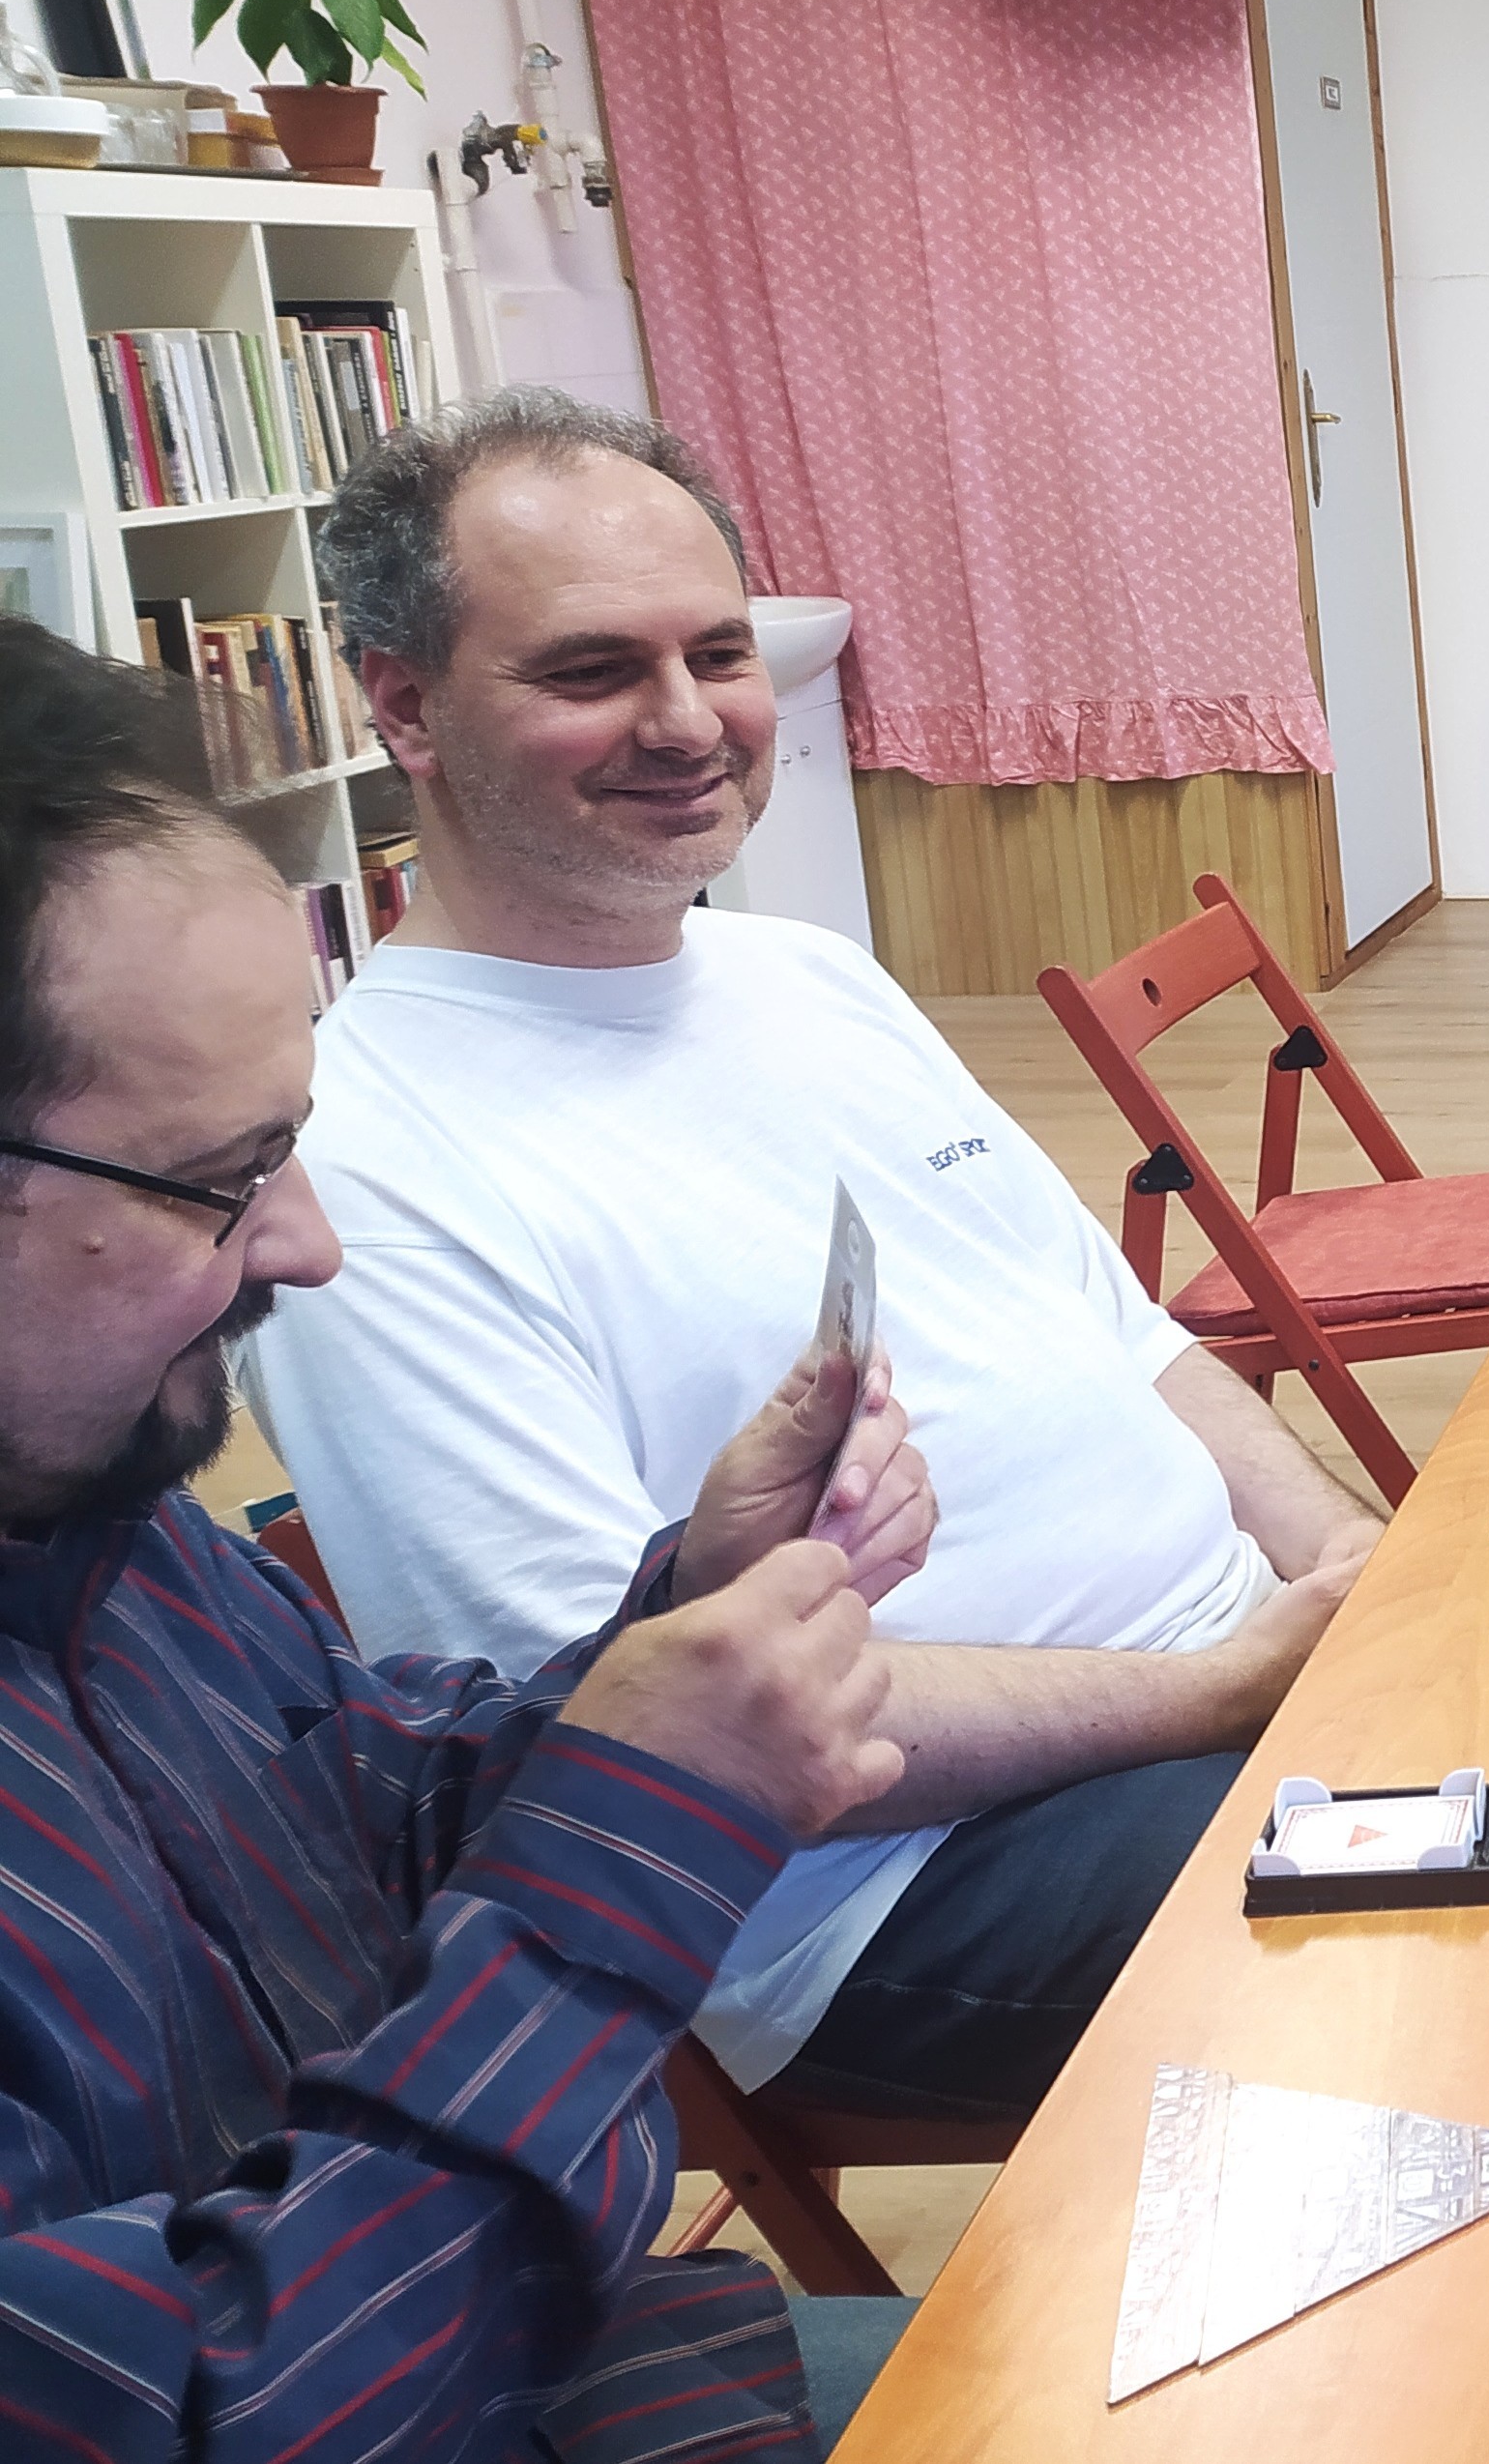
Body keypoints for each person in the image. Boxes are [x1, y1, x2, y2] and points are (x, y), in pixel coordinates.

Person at [236, 390, 1381, 2128]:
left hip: (1236, 1677)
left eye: (718, 652)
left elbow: (1124, 1330)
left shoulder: (809, 975)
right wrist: (1230, 1687)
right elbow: (644, 1728)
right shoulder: (365, 1166)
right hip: (900, 1884)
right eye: (592, 670)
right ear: (403, 705)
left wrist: (1353, 1561)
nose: (688, 720)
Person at [0, 618, 924, 2455]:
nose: (309, 1243)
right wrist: (636, 1836)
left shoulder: (91, 1519)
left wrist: (678, 1633)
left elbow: (364, 1791)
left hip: (555, 2365)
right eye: (221, 1180)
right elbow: (233, 2404)